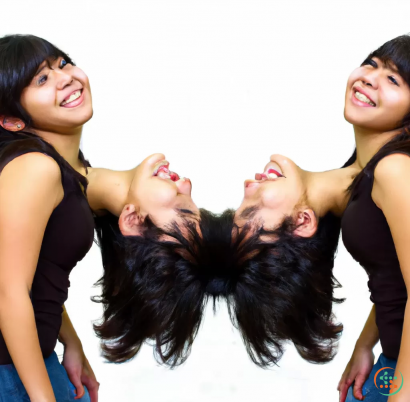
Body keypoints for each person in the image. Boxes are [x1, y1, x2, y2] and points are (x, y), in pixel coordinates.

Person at [0, 34, 202, 401]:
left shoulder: (65, 171)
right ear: (13, 120)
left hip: (29, 363)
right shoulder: (35, 169)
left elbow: (34, 274)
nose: (65, 78)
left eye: (62, 63)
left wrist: (70, 343)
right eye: (42, 79)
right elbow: (7, 291)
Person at [336, 35, 410, 402]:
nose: (370, 77)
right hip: (393, 360)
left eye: (394, 79)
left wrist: (402, 393)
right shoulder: (370, 169)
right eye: (372, 63)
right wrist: (366, 345)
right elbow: (396, 278)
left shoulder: (395, 170)